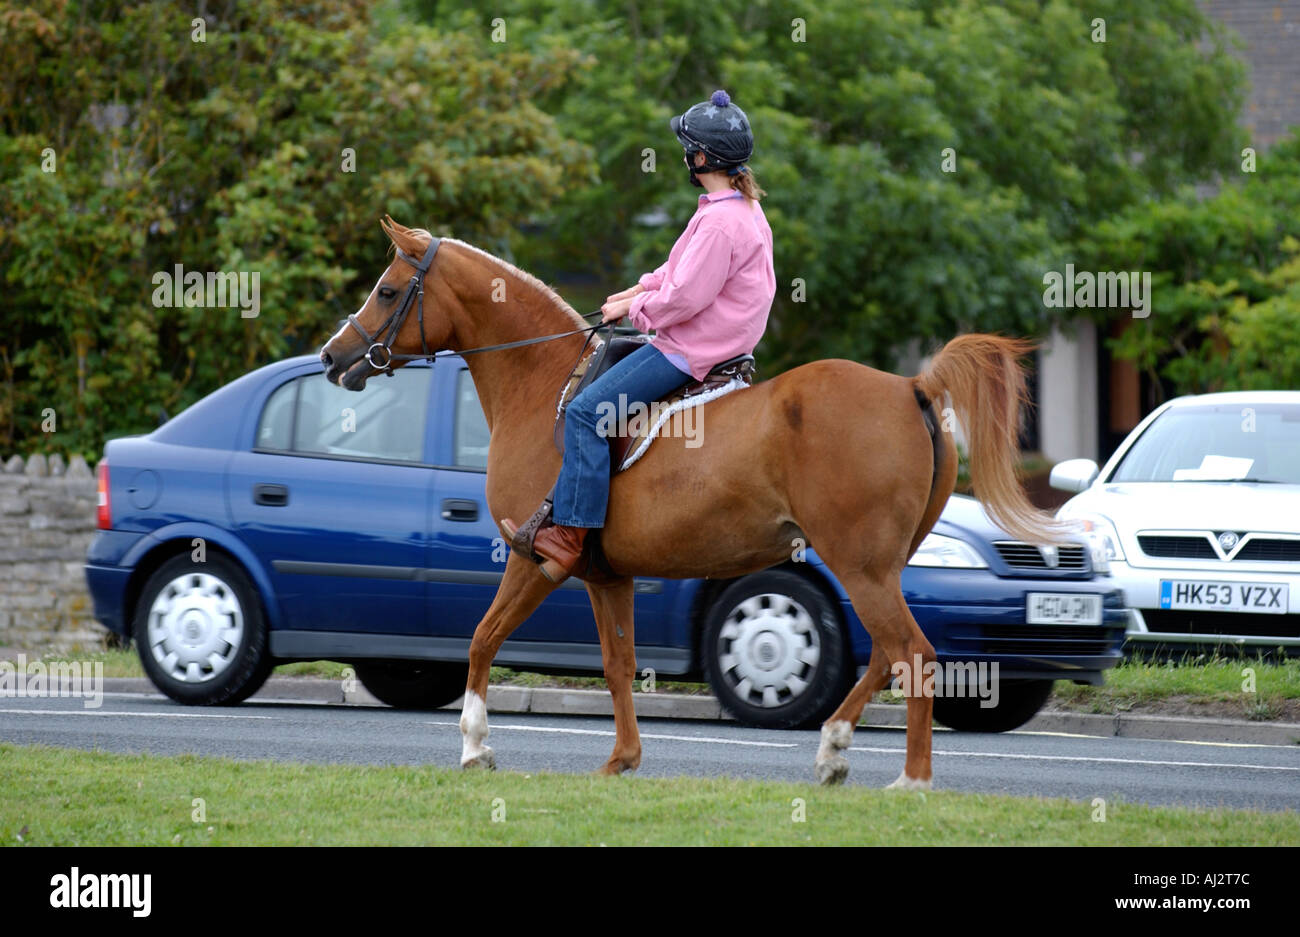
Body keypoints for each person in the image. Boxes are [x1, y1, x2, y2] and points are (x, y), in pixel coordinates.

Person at [504, 89, 777, 582]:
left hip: (691, 351)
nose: (684, 156)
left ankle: (569, 536)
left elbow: (683, 300)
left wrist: (640, 310)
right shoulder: (739, 209)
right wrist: (631, 294)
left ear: (699, 157)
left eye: (687, 149)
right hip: (719, 344)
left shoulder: (718, 223)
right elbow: (673, 272)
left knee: (588, 411)